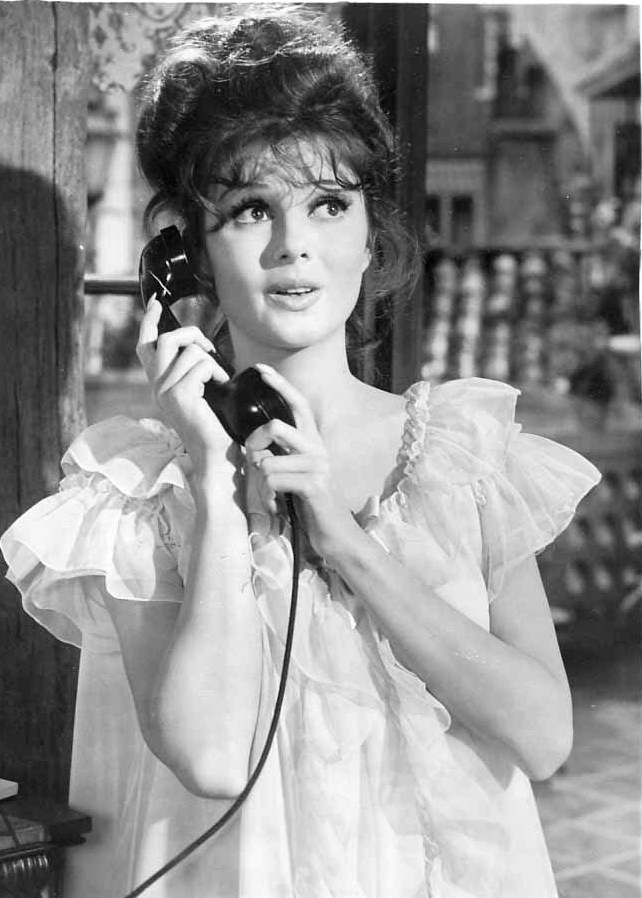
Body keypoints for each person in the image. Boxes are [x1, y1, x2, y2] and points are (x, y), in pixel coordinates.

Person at [0, 9, 601, 898]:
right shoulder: (140, 494)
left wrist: (346, 542)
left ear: (368, 231)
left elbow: (545, 738)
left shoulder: (465, 456)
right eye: (251, 210)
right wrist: (213, 484)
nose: (294, 246)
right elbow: (211, 757)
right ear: (187, 252)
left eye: (329, 203)